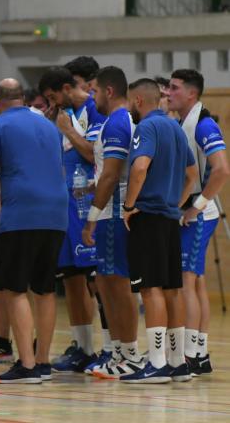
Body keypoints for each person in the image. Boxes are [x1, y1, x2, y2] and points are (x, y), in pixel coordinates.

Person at [0, 78, 68, 383]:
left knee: (14, 290)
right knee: (45, 289)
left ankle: (26, 365)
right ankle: (43, 362)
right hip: (56, 214)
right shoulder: (49, 126)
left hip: (22, 214)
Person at [120, 78, 197, 383]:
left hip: (148, 216)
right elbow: (192, 175)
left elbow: (139, 168)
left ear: (138, 100)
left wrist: (129, 206)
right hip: (168, 217)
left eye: (130, 102)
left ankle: (156, 363)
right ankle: (177, 363)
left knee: (150, 289)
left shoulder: (147, 128)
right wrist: (174, 203)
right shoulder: (176, 128)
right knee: (172, 290)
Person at [38, 66, 103, 372]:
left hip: (88, 207)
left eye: (54, 97)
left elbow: (94, 155)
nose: (53, 104)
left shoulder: (94, 109)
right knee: (72, 280)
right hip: (63, 209)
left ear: (66, 87)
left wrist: (67, 130)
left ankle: (114, 347)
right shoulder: (62, 115)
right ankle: (84, 347)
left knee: (97, 281)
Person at [167, 69, 230, 375]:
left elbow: (222, 170)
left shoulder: (204, 125)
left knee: (185, 282)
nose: (169, 92)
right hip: (193, 212)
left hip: (199, 214)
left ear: (191, 94)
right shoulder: (182, 122)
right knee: (197, 281)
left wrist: (198, 206)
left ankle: (189, 355)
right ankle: (200, 353)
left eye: (175, 88)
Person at [82, 66, 143, 378]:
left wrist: (91, 217)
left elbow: (112, 173)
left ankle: (131, 354)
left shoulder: (118, 122)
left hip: (114, 215)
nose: (91, 98)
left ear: (108, 91)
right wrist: (92, 186)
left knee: (119, 285)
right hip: (109, 211)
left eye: (93, 92)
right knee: (106, 283)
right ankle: (119, 351)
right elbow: (104, 173)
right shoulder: (113, 122)